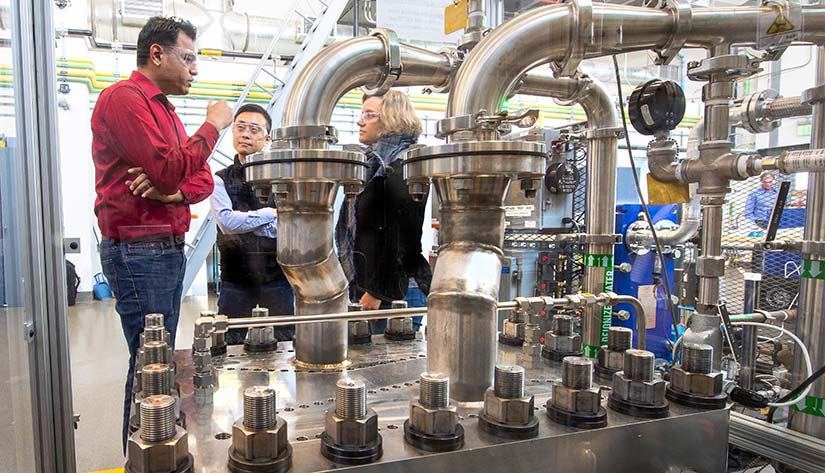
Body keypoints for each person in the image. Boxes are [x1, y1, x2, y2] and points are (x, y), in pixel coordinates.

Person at [91, 16, 233, 450]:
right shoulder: (124, 99)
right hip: (138, 251)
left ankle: (157, 454)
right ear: (157, 53)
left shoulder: (164, 111)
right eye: (188, 58)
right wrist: (214, 126)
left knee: (159, 361)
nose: (195, 69)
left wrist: (172, 196)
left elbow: (201, 181)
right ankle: (142, 457)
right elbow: (171, 168)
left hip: (164, 249)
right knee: (150, 367)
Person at [335, 90, 432, 332]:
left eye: (369, 115)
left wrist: (378, 290)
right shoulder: (372, 164)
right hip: (367, 284)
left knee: (385, 367)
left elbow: (401, 236)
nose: (360, 121)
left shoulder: (406, 165)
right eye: (362, 114)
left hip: (391, 290)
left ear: (392, 118)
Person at [210, 104, 295, 343]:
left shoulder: (282, 178)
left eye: (254, 130)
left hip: (277, 277)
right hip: (235, 279)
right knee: (229, 345)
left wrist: (245, 221)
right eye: (241, 128)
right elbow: (227, 223)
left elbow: (288, 224)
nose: (246, 134)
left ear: (267, 138)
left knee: (285, 345)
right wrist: (270, 213)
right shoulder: (219, 179)